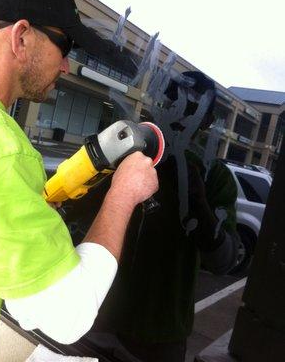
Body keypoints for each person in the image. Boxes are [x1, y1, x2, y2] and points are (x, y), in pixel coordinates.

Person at [0, 0, 158, 360]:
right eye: (65, 47)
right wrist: (123, 193)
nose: (65, 66)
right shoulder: (0, 150)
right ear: (21, 37)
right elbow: (66, 315)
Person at [82, 71, 240, 362]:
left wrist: (198, 203)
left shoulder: (213, 176)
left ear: (207, 122)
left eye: (193, 109)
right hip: (96, 315)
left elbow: (224, 261)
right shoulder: (125, 149)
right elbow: (74, 217)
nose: (179, 115)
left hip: (158, 336)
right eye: (172, 101)